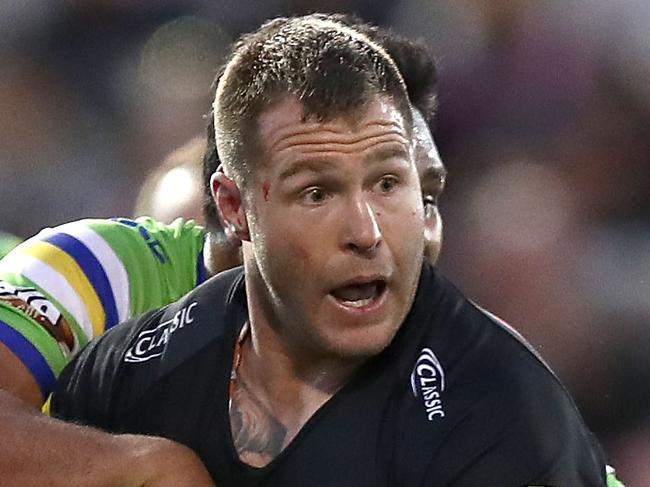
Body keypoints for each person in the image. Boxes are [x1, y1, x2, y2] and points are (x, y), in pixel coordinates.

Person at [51, 14, 610, 486]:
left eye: (389, 185)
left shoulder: (498, 411)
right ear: (233, 208)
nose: (365, 232)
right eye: (317, 192)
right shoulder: (135, 369)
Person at [0, 19, 448, 486]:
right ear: (235, 205)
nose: (380, 230)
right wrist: (148, 467)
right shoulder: (107, 273)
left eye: (421, 198)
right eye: (322, 190)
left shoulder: (454, 389)